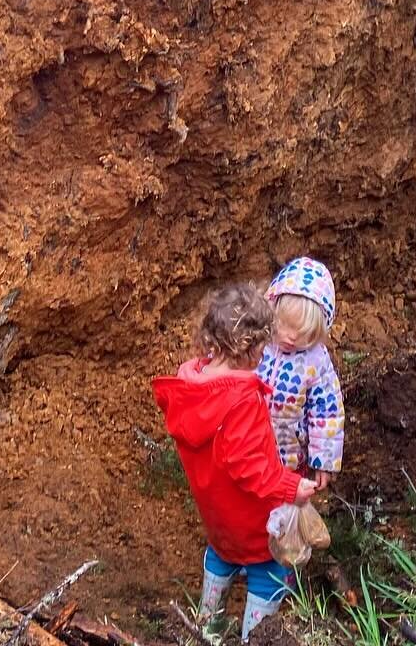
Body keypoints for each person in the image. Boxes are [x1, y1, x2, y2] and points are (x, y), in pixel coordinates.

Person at [153, 283, 317, 639]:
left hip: (216, 515)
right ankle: (253, 636)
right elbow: (249, 466)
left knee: (221, 554)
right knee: (268, 570)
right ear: (254, 347)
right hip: (251, 520)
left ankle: (206, 625)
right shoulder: (242, 400)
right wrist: (292, 487)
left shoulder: (190, 383)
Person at [258, 257, 345, 490]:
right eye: (285, 325)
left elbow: (327, 411)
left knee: (285, 509)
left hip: (290, 458)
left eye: (303, 334)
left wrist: (324, 461)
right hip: (248, 448)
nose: (291, 337)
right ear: (272, 310)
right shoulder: (257, 342)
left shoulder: (316, 360)